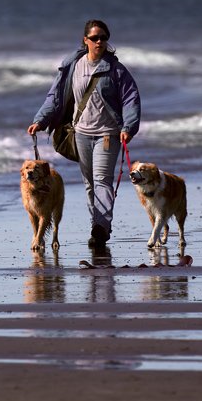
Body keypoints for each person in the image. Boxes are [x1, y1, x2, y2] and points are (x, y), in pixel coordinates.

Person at [28, 19, 141, 247]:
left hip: (108, 133)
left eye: (103, 38)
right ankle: (97, 225)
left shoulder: (116, 70)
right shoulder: (73, 66)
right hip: (80, 133)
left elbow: (131, 99)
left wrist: (128, 127)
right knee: (89, 183)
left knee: (102, 180)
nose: (99, 41)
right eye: (95, 38)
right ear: (85, 40)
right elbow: (55, 97)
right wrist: (40, 120)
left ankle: (101, 227)